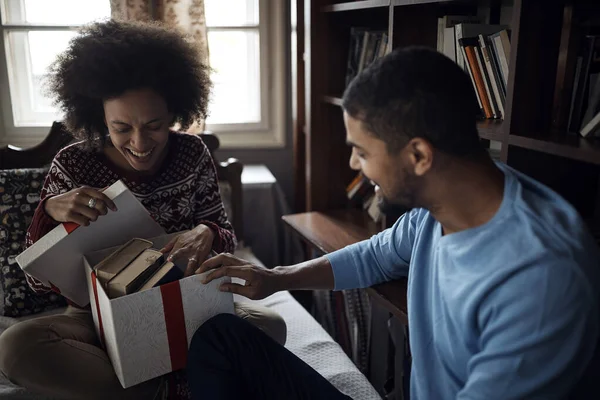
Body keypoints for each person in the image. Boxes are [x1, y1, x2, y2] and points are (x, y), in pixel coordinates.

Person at [188, 47, 600, 400]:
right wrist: (276, 278)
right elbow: (375, 256)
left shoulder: (540, 278)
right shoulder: (440, 205)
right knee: (221, 338)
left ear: (418, 155)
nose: (353, 164)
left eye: (362, 151)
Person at [0, 20, 286, 400]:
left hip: (188, 307)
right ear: (98, 118)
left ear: (174, 112)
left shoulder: (193, 153)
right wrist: (49, 213)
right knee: (15, 346)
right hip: (95, 318)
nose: (139, 143)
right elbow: (38, 283)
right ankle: (170, 388)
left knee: (271, 326)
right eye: (121, 128)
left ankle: (146, 388)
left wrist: (208, 232)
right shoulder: (72, 163)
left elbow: (225, 232)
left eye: (154, 125)